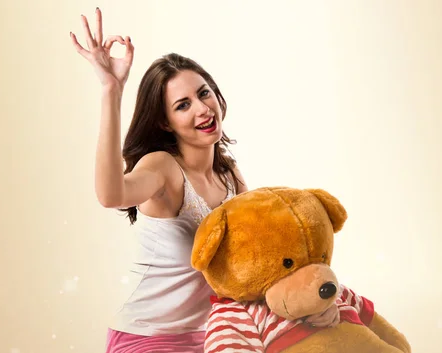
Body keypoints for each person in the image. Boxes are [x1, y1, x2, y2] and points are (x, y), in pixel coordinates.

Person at [70, 7, 341, 353]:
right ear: (165, 122)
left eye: (204, 93)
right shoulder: (164, 168)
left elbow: (260, 260)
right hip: (146, 339)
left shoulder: (229, 176)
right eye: (182, 105)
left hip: (212, 336)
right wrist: (111, 89)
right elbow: (111, 195)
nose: (202, 109)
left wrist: (311, 307)